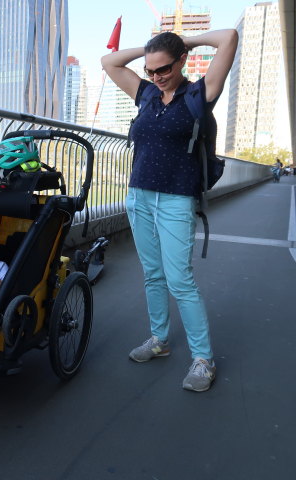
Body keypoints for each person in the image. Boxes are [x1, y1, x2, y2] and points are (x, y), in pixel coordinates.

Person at [101, 29, 238, 392]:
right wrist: (150, 51)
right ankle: (159, 339)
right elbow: (109, 61)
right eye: (150, 70)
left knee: (180, 279)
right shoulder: (145, 94)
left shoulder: (199, 94)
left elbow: (229, 37)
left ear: (182, 62)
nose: (157, 77)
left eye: (164, 68)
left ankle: (203, 359)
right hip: (139, 196)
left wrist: (187, 42)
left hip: (177, 198)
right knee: (152, 274)